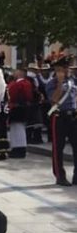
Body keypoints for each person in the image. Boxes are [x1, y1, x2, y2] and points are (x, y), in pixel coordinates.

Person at [47, 57, 77, 186]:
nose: (67, 70)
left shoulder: (73, 81)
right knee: (58, 148)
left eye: (67, 68)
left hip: (73, 116)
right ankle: (60, 176)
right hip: (59, 117)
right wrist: (59, 83)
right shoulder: (52, 83)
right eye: (64, 68)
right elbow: (54, 99)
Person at [7, 67, 34, 159]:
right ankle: (17, 148)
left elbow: (12, 96)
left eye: (15, 72)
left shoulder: (17, 84)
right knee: (18, 129)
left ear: (19, 73)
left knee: (17, 129)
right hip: (23, 108)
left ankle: (18, 149)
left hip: (17, 108)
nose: (14, 74)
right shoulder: (27, 83)